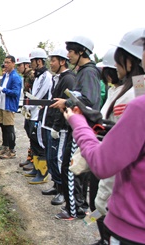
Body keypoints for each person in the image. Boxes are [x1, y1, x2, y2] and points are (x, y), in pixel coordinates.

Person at [63, 28, 145, 245]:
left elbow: (107, 163)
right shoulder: (132, 91)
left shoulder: (136, 100)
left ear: (129, 62)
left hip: (129, 215)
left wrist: (79, 123)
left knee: (100, 212)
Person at [91, 29, 145, 245]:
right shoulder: (132, 90)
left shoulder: (132, 99)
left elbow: (116, 159)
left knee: (97, 208)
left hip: (119, 190)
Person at [52, 35, 101, 220]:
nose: (68, 56)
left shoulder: (88, 73)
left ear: (81, 52)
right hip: (79, 126)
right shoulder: (82, 71)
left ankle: (73, 210)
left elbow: (89, 101)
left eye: (71, 52)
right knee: (74, 168)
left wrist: (67, 101)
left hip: (82, 127)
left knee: (71, 168)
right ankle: (79, 207)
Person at [41, 48, 75, 205]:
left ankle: (63, 190)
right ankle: (56, 184)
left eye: (53, 60)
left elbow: (64, 106)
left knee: (57, 158)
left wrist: (56, 126)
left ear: (62, 61)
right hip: (51, 123)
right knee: (50, 157)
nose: (51, 63)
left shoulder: (68, 79)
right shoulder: (59, 78)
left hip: (60, 126)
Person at [23, 48, 52, 184]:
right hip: (32, 113)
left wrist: (28, 105)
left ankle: (43, 172)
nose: (31, 64)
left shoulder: (46, 77)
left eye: (32, 61)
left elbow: (38, 95)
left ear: (39, 61)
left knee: (39, 143)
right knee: (33, 142)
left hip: (39, 114)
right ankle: (35, 167)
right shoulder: (38, 76)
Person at [0, 55, 22, 159]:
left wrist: (3, 90)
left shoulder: (15, 77)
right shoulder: (5, 76)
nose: (5, 64)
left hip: (9, 105)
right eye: (5, 62)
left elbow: (15, 92)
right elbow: (2, 88)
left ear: (13, 63)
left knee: (9, 128)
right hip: (1, 104)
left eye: (8, 62)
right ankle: (5, 146)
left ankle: (12, 149)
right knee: (3, 126)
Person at [15, 57, 35, 170]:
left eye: (20, 65)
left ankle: (34, 160)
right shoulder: (25, 76)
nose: (18, 68)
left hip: (34, 108)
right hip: (28, 106)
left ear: (26, 65)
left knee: (33, 134)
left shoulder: (32, 75)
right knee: (28, 131)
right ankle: (30, 157)